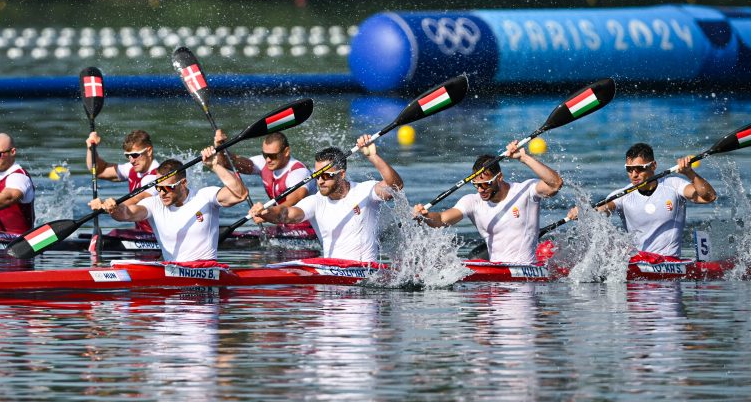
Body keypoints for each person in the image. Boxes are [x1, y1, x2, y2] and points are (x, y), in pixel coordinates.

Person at [248, 136, 403, 263]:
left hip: (365, 276)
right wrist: (266, 212)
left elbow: (396, 186)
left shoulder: (364, 191)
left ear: (341, 174)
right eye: (317, 175)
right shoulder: (316, 202)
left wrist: (372, 156)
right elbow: (286, 214)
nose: (320, 181)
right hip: (331, 281)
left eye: (326, 175)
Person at [413, 141, 563, 264]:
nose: (480, 190)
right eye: (476, 185)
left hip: (527, 275)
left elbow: (555, 184)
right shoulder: (472, 202)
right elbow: (441, 220)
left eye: (485, 184)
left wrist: (524, 158)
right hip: (495, 280)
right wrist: (425, 216)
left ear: (499, 178)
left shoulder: (525, 191)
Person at [88, 148, 249, 263]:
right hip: (172, 275)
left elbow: (240, 194)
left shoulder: (205, 197)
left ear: (183, 183)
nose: (162, 193)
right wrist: (113, 208)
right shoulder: (154, 204)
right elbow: (126, 214)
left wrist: (215, 166)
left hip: (206, 273)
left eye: (167, 187)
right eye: (158, 187)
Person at [568, 143, 716, 259]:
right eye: (629, 169)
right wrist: (585, 211)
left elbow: (709, 197)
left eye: (639, 169)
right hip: (639, 260)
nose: (634, 174)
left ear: (653, 166)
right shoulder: (622, 195)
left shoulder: (674, 185)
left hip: (669, 261)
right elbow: (602, 209)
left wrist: (690, 173)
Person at [213, 128, 314, 235]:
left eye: (273, 156)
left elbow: (290, 203)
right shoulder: (264, 163)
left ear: (286, 152)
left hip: (307, 229)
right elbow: (230, 163)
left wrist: (267, 213)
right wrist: (221, 149)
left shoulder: (298, 173)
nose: (268, 160)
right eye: (265, 155)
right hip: (282, 227)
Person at [86, 129, 160, 235]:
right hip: (141, 233)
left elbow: (135, 199)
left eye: (135, 155)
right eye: (128, 156)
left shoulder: (155, 177)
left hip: (156, 236)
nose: (131, 160)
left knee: (114, 234)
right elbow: (100, 171)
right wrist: (91, 149)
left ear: (149, 151)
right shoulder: (132, 168)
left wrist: (104, 205)